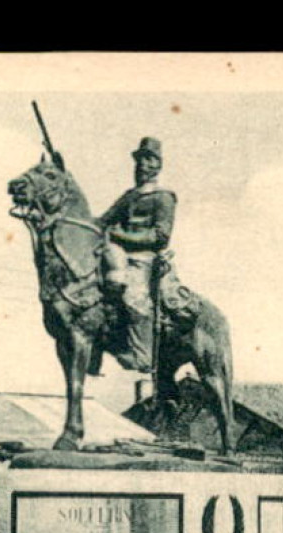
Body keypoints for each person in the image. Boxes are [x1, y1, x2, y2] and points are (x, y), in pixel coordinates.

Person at [98, 136, 177, 373]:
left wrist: (120, 236)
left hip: (144, 258)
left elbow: (160, 237)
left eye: (149, 160)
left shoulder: (164, 197)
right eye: (140, 160)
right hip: (117, 255)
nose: (142, 165)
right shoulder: (129, 196)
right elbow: (103, 221)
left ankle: (143, 356)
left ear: (158, 165)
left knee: (135, 297)